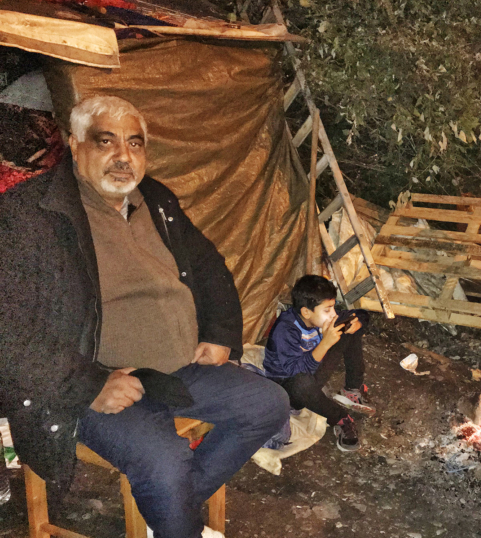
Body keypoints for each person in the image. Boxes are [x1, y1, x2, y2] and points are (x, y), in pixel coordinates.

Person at [0, 96, 290, 538]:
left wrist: (220, 332)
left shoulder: (154, 199)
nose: (123, 156)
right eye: (106, 141)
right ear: (75, 146)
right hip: (96, 382)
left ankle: (174, 513)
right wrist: (89, 385)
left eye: (135, 144)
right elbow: (9, 331)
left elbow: (209, 267)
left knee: (269, 404)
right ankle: (175, 516)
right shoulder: (29, 216)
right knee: (165, 463)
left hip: (180, 369)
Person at [263, 275, 374, 452]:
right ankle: (340, 417)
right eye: (328, 309)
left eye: (333, 307)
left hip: (313, 373)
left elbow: (359, 314)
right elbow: (297, 372)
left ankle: (352, 389)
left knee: (349, 328)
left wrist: (358, 321)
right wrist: (325, 343)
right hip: (288, 388)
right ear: (306, 312)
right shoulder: (286, 329)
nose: (334, 314)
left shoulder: (321, 318)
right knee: (303, 384)